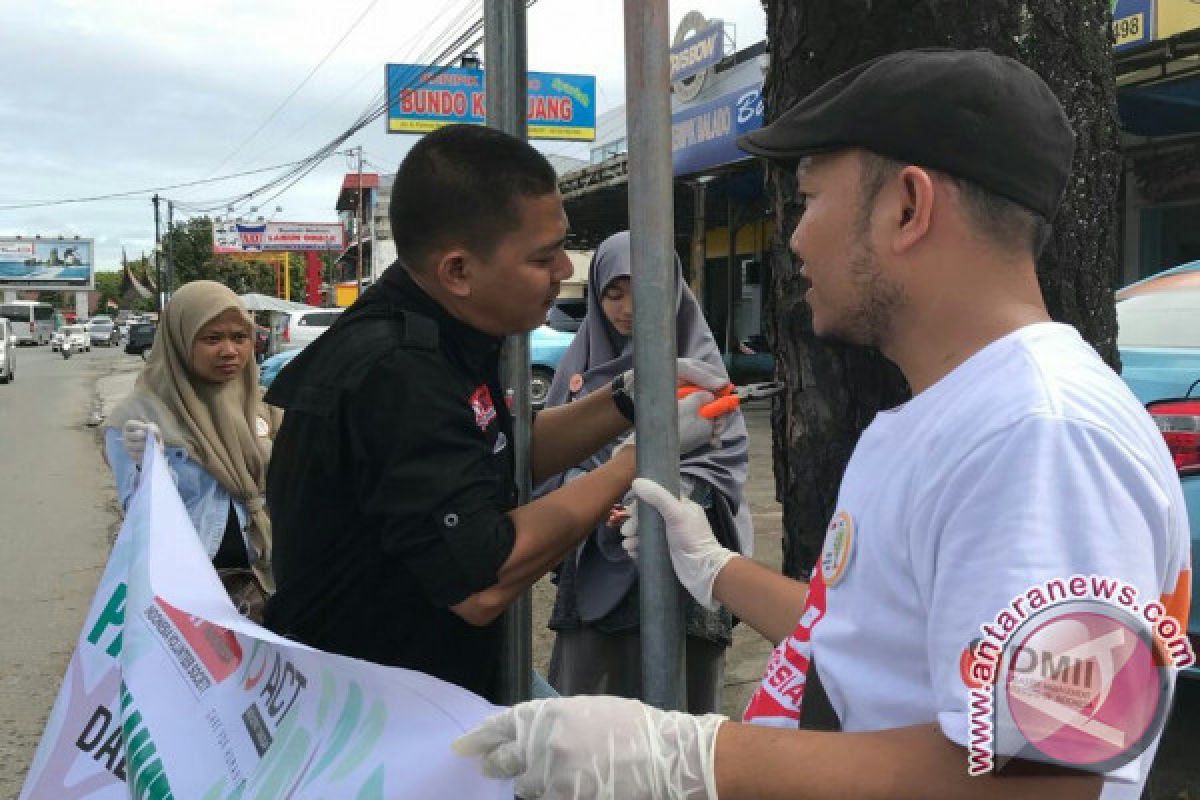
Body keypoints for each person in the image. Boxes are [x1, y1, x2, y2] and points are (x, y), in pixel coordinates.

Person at [454, 49, 1193, 800]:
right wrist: (715, 567)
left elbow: (1043, 777)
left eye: (808, 199)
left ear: (908, 207)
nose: (795, 238)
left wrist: (691, 757)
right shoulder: (953, 414)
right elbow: (862, 641)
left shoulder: (1040, 437)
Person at [262, 123, 734, 702]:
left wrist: (629, 403)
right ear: (457, 270)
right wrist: (633, 461)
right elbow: (481, 580)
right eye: (543, 257)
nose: (566, 270)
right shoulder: (397, 373)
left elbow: (501, 451)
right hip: (378, 710)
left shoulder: (447, 328)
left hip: (441, 681)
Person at [541, 230, 752, 712]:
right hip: (595, 563)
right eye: (614, 293)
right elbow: (545, 461)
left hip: (681, 566)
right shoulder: (577, 366)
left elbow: (726, 459)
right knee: (590, 718)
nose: (627, 308)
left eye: (644, 292)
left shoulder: (698, 363)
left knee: (680, 715)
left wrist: (676, 491)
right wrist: (586, 490)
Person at [105, 281, 280, 617]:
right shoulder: (138, 420)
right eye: (212, 338)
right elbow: (139, 521)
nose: (229, 351)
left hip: (265, 584)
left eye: (239, 337)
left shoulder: (265, 405)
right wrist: (149, 470)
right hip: (183, 599)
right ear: (179, 341)